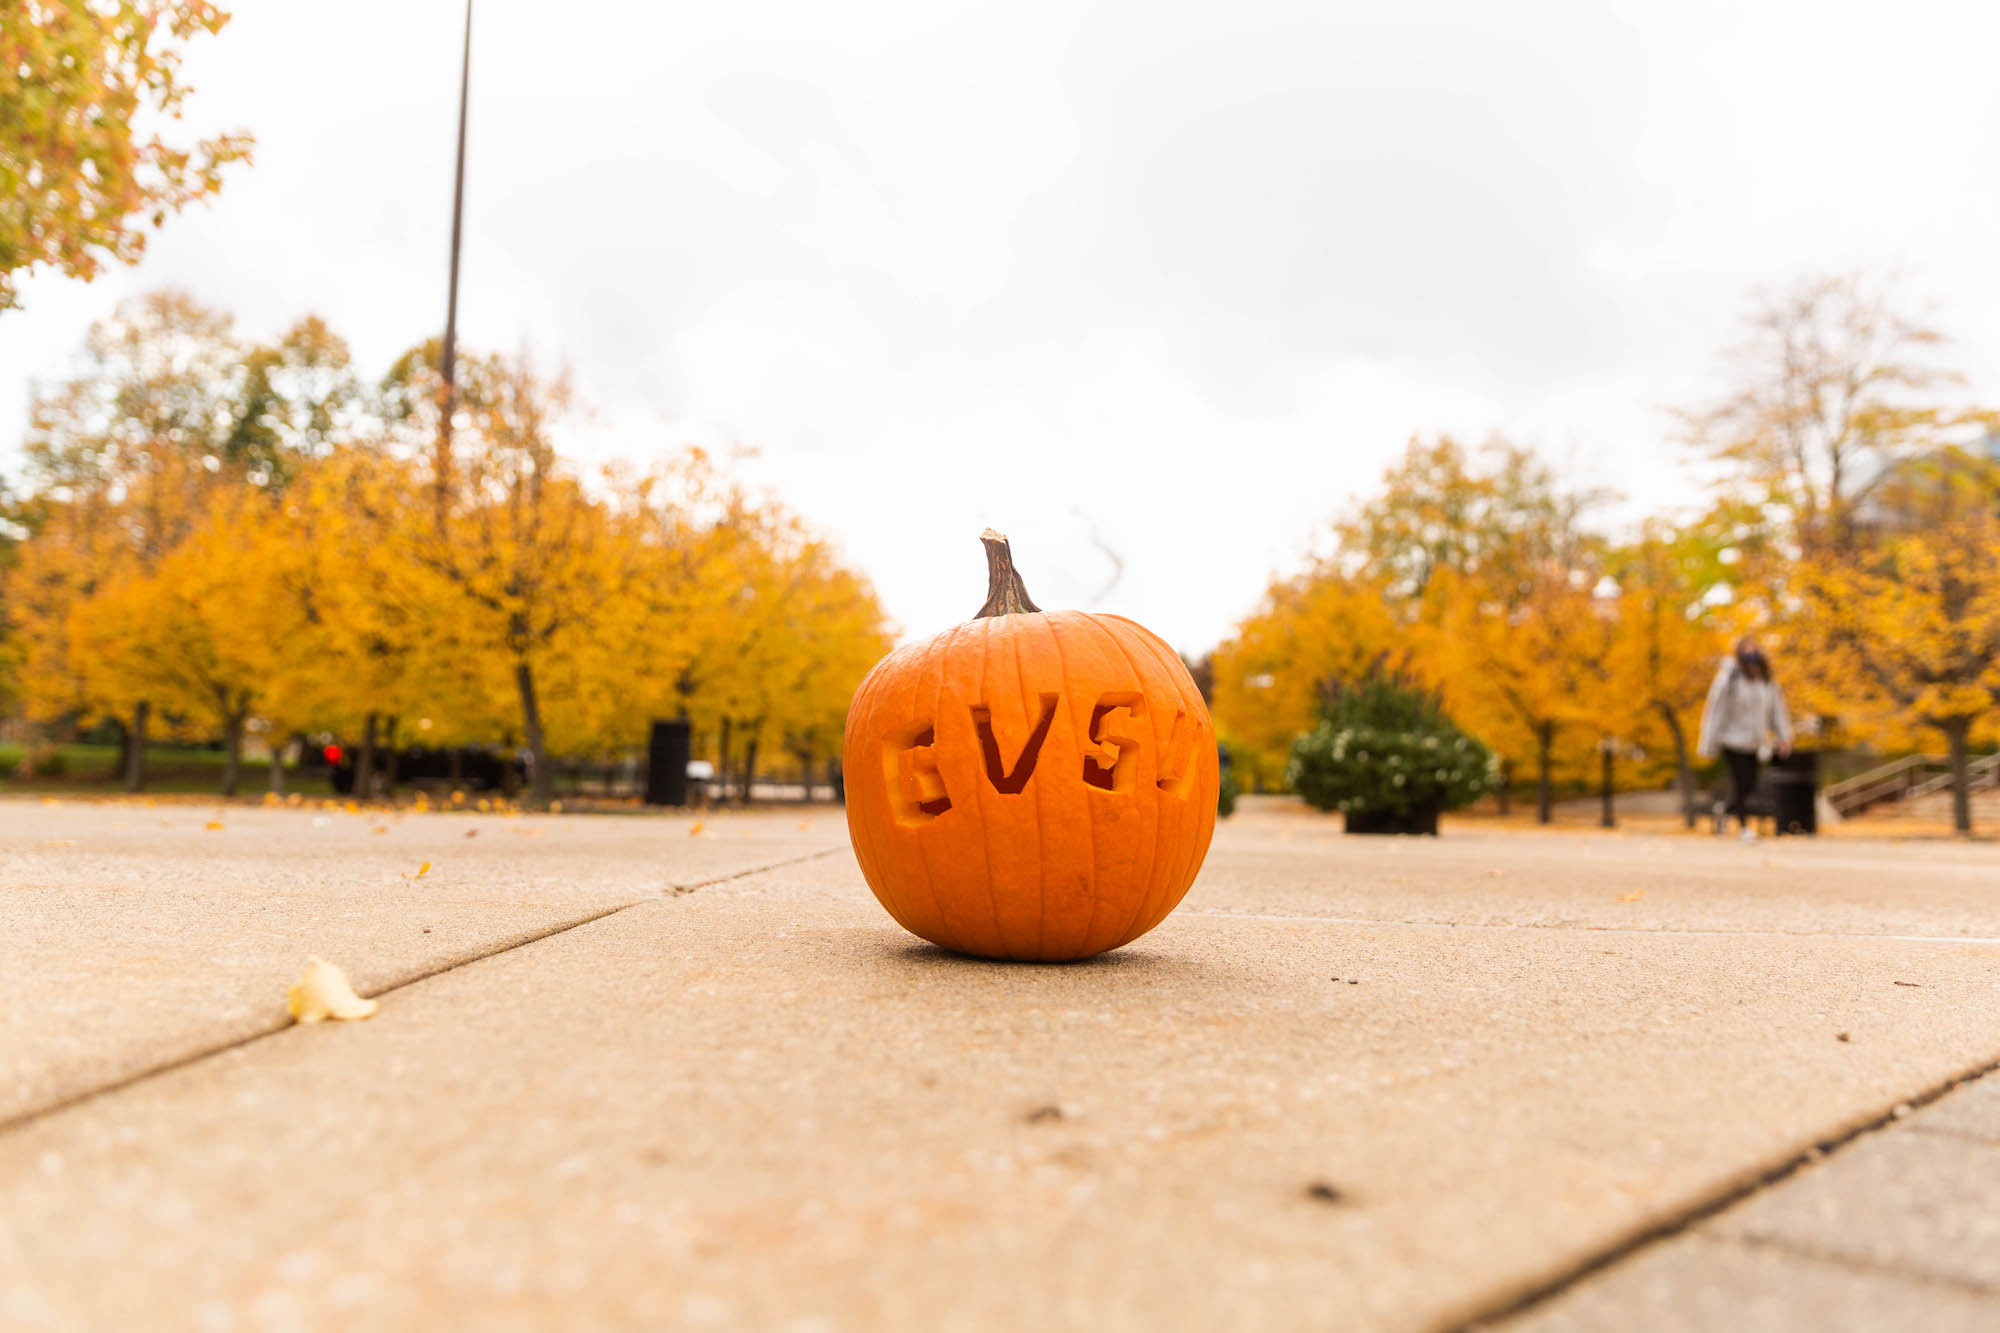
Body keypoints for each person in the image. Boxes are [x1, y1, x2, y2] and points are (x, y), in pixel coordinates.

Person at [1696, 637, 1794, 842]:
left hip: (1754, 742)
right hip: (1731, 740)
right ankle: (1743, 827)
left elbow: (1776, 711)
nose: (1752, 653)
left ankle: (1724, 809)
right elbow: (1715, 711)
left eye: (1754, 648)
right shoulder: (1729, 677)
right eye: (1747, 649)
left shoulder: (1765, 679)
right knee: (1741, 784)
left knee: (1750, 785)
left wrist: (1784, 737)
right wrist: (1708, 743)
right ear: (1739, 652)